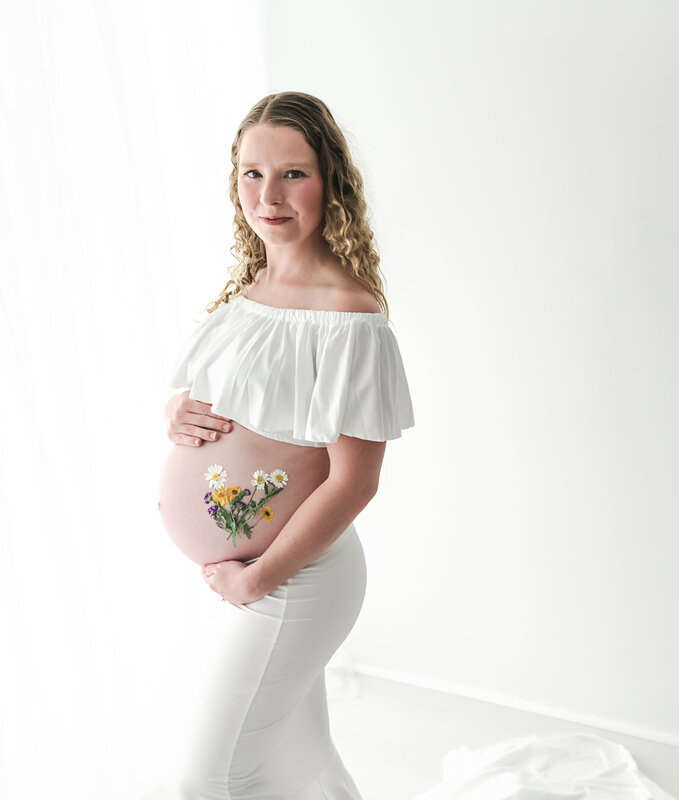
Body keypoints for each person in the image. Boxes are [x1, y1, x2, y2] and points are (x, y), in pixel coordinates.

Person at [158, 92, 414, 798]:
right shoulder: (252, 285)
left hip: (299, 577)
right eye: (251, 173)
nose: (267, 195)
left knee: (208, 777)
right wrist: (179, 415)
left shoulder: (349, 316)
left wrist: (257, 578)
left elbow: (355, 481)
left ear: (330, 181)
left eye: (292, 175)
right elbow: (235, 405)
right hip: (262, 567)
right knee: (304, 768)